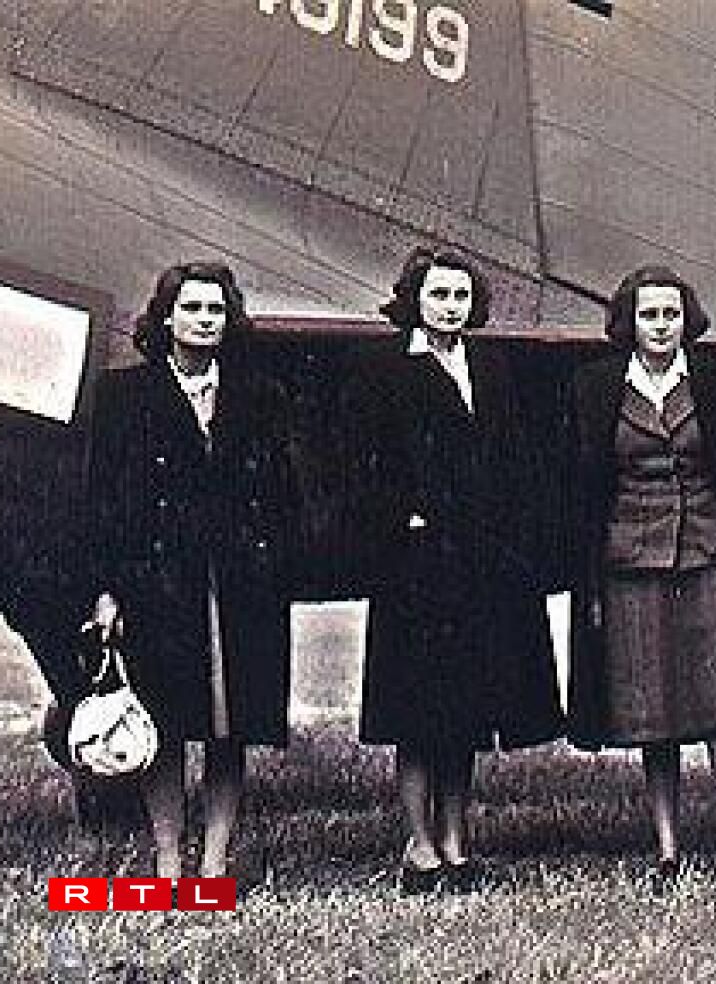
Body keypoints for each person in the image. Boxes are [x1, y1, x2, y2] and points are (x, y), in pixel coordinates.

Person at [566, 265, 716, 889]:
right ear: (628, 322)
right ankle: (666, 849)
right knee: (654, 712)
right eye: (649, 315)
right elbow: (580, 482)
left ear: (688, 320)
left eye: (671, 314)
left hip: (711, 557)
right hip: (630, 565)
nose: (661, 326)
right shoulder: (594, 388)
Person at [348, 247, 563, 894]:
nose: (450, 307)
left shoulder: (491, 366)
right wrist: (400, 520)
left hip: (481, 564)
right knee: (416, 712)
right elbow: (362, 462)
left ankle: (457, 840)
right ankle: (418, 845)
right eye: (439, 295)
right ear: (414, 298)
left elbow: (514, 458)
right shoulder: (383, 367)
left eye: (461, 297)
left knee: (467, 710)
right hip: (416, 566)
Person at [83, 262, 297, 879]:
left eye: (216, 310)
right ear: (167, 317)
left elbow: (282, 494)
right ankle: (169, 861)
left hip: (237, 585)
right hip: (158, 583)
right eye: (192, 308)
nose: (205, 320)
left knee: (229, 729)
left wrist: (271, 561)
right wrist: (107, 589)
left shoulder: (260, 396)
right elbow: (104, 499)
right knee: (166, 723)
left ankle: (213, 866)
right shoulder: (124, 396)